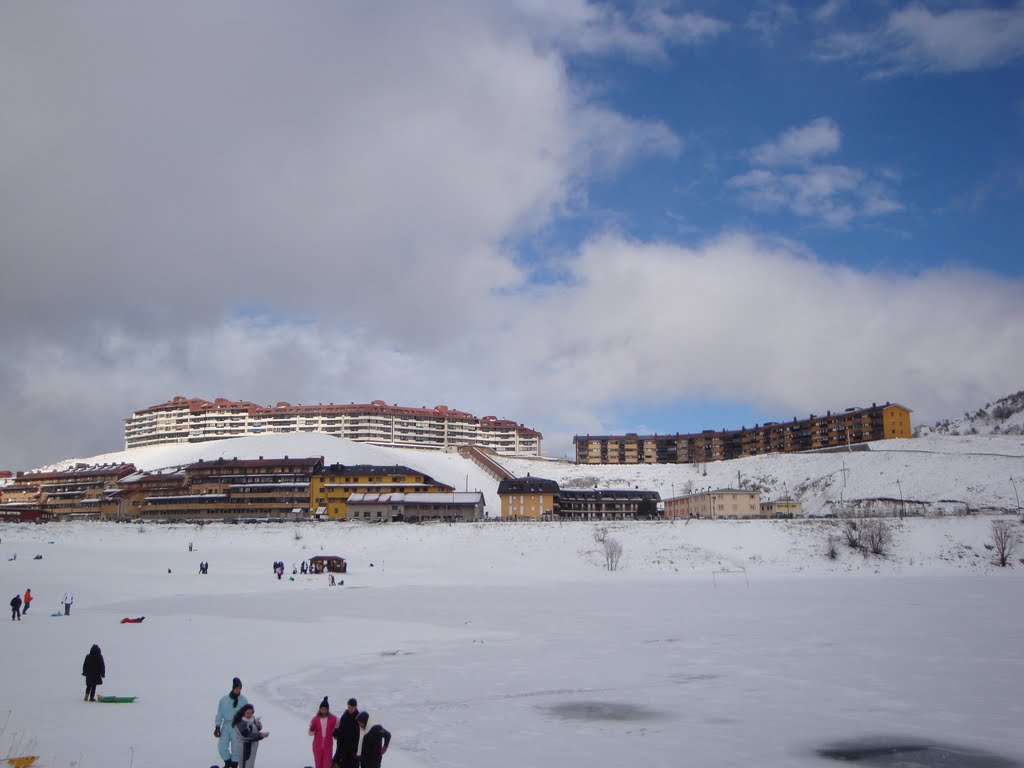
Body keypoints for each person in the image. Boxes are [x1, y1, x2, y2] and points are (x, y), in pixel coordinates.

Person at [215, 677, 248, 768]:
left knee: (236, 748)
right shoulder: (224, 700)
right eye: (236, 688)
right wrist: (217, 726)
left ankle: (234, 765)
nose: (238, 690)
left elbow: (247, 715)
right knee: (222, 747)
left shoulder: (243, 701)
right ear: (233, 688)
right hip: (226, 725)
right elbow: (219, 714)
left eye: (240, 688)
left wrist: (246, 727)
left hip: (238, 726)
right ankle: (228, 762)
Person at [231, 703, 269, 768]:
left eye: (251, 713)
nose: (249, 715)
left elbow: (253, 728)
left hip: (252, 747)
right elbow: (246, 735)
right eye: (247, 713)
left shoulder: (252, 718)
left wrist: (258, 725)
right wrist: (261, 735)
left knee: (250, 764)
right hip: (245, 747)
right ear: (243, 712)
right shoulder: (241, 723)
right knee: (245, 765)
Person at [308, 696, 337, 768]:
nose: (323, 711)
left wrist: (336, 733)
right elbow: (310, 733)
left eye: (325, 709)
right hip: (317, 746)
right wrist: (311, 729)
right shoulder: (315, 719)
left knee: (326, 765)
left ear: (328, 709)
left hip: (328, 746)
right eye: (322, 709)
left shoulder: (333, 718)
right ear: (320, 709)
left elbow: (339, 726)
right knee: (318, 765)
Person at [332, 698, 360, 768]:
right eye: (349, 707)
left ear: (356, 707)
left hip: (354, 750)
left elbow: (360, 736)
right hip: (343, 748)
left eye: (352, 708)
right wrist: (336, 733)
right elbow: (341, 730)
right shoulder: (344, 716)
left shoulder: (359, 718)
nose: (350, 709)